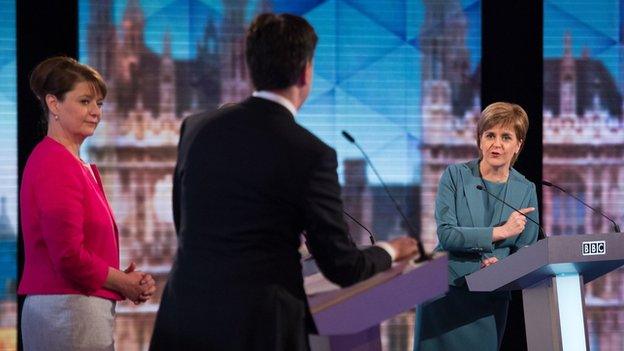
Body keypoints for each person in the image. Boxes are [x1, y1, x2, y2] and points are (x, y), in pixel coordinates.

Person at [149, 13, 419, 351]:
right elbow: (343, 266)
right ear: (306, 72)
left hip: (184, 320)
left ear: (251, 67)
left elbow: (186, 222)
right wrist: (392, 250)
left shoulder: (196, 128)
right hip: (259, 328)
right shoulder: (311, 153)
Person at [18, 56, 156, 351]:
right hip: (66, 314)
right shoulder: (54, 162)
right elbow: (68, 256)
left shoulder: (73, 164)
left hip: (77, 312)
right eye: (85, 102)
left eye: (99, 104)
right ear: (54, 104)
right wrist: (122, 282)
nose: (95, 112)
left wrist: (124, 278)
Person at [415, 102, 539, 351]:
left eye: (506, 137)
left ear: (518, 145)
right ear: (479, 140)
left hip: (488, 299)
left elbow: (527, 250)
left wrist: (504, 267)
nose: (497, 144)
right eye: (490, 135)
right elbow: (448, 235)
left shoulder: (526, 189)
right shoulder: (455, 176)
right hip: (443, 293)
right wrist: (501, 232)